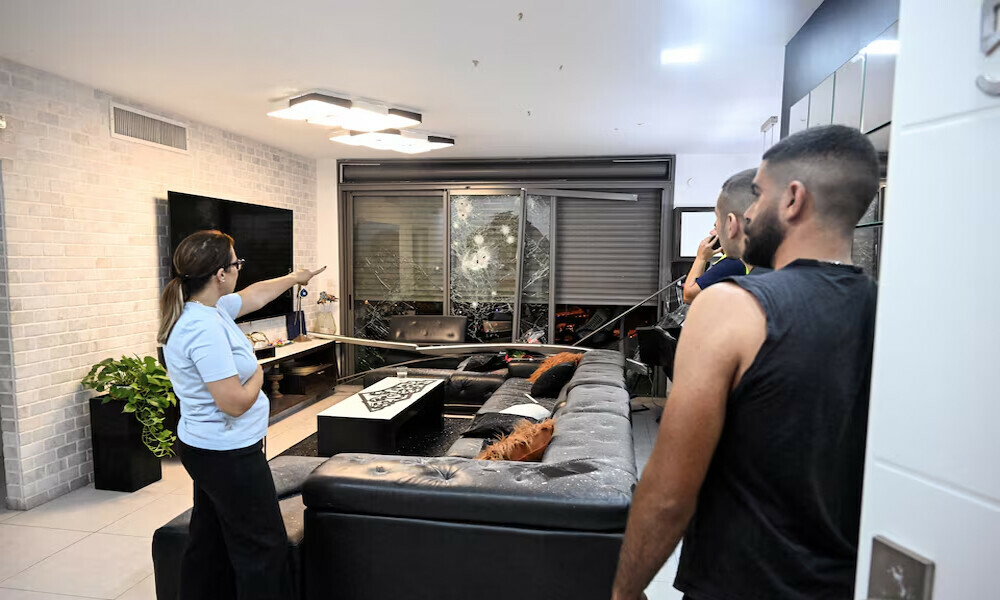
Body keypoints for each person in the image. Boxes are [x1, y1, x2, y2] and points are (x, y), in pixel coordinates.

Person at [611, 125, 880, 600]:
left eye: (759, 194)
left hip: (739, 585)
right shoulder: (893, 314)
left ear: (793, 199)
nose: (749, 214)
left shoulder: (732, 305)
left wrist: (623, 592)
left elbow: (670, 493)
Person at [157, 230, 325, 600]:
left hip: (210, 447)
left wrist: (295, 278)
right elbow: (233, 402)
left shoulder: (207, 309)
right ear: (220, 274)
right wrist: (261, 374)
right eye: (237, 263)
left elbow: (254, 295)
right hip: (226, 454)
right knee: (263, 547)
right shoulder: (202, 327)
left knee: (210, 541)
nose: (240, 269)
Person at [681, 169, 759, 304]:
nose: (714, 225)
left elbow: (689, 296)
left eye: (718, 218)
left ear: (731, 224)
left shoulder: (732, 263)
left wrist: (701, 258)